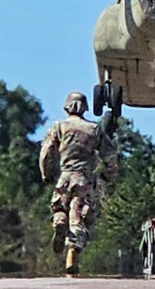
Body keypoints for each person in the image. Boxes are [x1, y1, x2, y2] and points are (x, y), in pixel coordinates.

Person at [39, 91, 118, 276]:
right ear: (85, 107)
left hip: (64, 177)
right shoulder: (94, 129)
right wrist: (108, 175)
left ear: (67, 106)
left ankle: (59, 221)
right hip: (84, 180)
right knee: (79, 218)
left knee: (59, 207)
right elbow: (110, 157)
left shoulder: (59, 126)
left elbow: (46, 151)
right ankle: (72, 253)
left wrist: (46, 173)